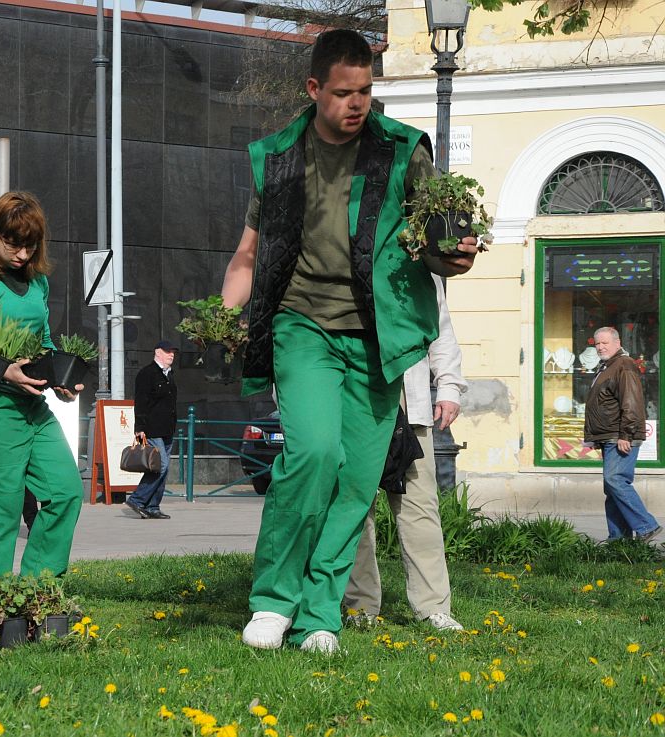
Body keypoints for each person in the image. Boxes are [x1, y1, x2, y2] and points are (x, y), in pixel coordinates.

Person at [220, 29, 479, 654]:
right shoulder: (280, 157)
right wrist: (223, 319)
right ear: (314, 89)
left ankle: (319, 613)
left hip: (380, 337)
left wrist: (455, 255)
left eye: (365, 90)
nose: (356, 103)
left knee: (358, 479)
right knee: (314, 454)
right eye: (343, 93)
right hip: (302, 325)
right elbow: (248, 255)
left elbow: (438, 246)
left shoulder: (403, 150)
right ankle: (273, 600)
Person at [0, 191, 84, 583]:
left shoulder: (38, 283)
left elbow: (44, 340)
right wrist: (4, 371)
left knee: (66, 492)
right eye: (14, 244)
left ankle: (37, 591)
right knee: (2, 511)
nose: (23, 254)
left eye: (31, 245)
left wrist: (59, 378)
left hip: (34, 409)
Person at [343, 276, 466, 631]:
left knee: (419, 505)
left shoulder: (417, 260)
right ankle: (360, 607)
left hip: (408, 397)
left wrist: (449, 386)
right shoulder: (341, 252)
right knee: (354, 505)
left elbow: (440, 325)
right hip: (354, 389)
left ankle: (433, 607)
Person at [585, 327, 660, 543]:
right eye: (597, 344)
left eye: (605, 343)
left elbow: (631, 402)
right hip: (610, 436)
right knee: (612, 488)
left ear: (617, 343)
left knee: (615, 480)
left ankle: (646, 526)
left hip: (621, 435)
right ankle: (619, 540)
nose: (600, 347)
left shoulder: (624, 364)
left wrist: (626, 435)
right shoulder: (608, 366)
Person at [126, 340, 180, 520]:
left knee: (161, 469)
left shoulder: (169, 374)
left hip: (167, 429)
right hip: (152, 429)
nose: (171, 354)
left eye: (173, 351)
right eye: (167, 351)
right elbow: (140, 402)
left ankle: (153, 506)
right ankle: (137, 499)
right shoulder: (147, 373)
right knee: (161, 466)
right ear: (157, 352)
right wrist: (139, 428)